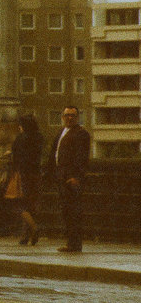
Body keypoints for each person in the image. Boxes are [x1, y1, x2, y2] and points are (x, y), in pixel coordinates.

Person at [44, 105, 91, 252]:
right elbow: (54, 153)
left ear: (77, 118)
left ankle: (75, 244)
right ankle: (70, 242)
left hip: (71, 178)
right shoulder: (61, 132)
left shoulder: (81, 134)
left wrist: (76, 177)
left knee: (74, 211)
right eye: (67, 115)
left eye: (72, 115)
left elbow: (82, 158)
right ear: (62, 117)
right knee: (66, 211)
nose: (69, 118)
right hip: (61, 176)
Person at [4, 113, 43, 245]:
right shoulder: (39, 137)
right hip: (36, 173)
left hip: (22, 174)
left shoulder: (21, 138)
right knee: (32, 204)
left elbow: (18, 156)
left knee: (18, 204)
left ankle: (34, 227)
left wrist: (11, 154)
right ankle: (26, 236)